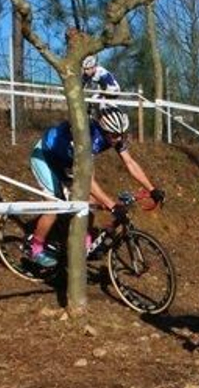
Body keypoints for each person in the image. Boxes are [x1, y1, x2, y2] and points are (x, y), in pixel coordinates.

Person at [25, 101, 163, 270]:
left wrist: (152, 189)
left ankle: (82, 240)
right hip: (45, 157)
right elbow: (87, 179)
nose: (118, 139)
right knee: (54, 206)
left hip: (69, 162)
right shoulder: (88, 139)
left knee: (89, 201)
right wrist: (112, 205)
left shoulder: (113, 136)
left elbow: (130, 163)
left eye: (121, 134)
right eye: (114, 135)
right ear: (104, 131)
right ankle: (35, 247)